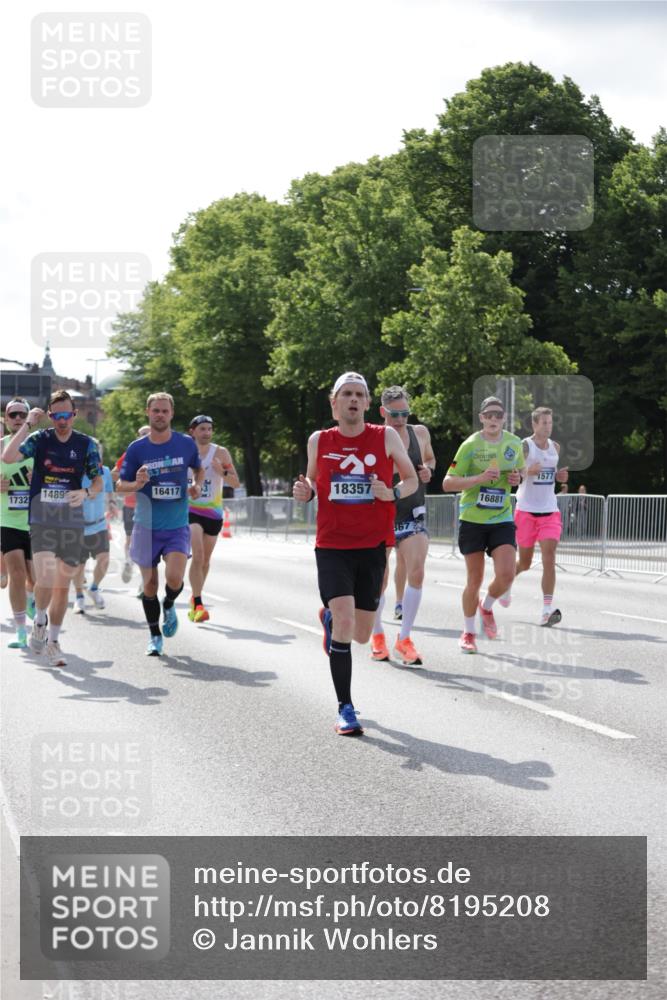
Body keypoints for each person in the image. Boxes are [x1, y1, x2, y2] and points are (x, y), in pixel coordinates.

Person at [292, 372, 417, 735]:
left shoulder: (386, 436)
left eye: (359, 394)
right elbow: (313, 485)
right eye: (346, 394)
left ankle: (329, 620)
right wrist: (306, 494)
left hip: (373, 545)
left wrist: (390, 493)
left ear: (366, 404)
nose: (352, 399)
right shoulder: (319, 440)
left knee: (361, 634)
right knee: (347, 624)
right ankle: (345, 708)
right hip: (332, 545)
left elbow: (411, 480)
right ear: (334, 403)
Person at [2, 390, 103, 667]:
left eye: (66, 415)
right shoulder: (39, 439)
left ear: (74, 414)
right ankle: (40, 619)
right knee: (45, 577)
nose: (61, 420)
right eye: (56, 415)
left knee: (63, 585)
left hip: (71, 520)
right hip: (42, 518)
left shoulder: (86, 444)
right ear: (50, 415)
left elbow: (97, 482)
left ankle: (53, 640)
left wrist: (85, 493)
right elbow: (8, 457)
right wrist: (28, 423)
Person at [117, 392, 204, 656]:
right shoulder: (137, 448)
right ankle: (155, 635)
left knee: (175, 578)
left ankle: (170, 605)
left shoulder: (186, 444)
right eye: (155, 410)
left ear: (172, 414)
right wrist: (137, 484)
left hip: (176, 524)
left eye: (165, 411)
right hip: (146, 525)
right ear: (148, 412)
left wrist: (197, 485)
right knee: (150, 585)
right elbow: (120, 486)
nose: (160, 415)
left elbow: (198, 469)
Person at [443, 396, 524, 654]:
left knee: (507, 574)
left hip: (501, 517)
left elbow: (518, 475)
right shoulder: (470, 446)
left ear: (503, 419)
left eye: (498, 415)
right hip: (473, 520)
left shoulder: (513, 443)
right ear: (481, 418)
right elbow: (448, 482)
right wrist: (478, 478)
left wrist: (516, 477)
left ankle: (486, 606)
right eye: (488, 414)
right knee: (474, 579)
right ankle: (468, 632)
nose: (493, 419)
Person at [370, 386, 436, 666]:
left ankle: (405, 638)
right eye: (394, 414)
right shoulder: (374, 435)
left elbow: (430, 458)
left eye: (405, 413)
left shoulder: (419, 433)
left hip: (413, 513)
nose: (400, 419)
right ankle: (377, 635)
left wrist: (427, 470)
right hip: (381, 515)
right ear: (383, 412)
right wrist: (397, 473)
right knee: (379, 581)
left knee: (417, 571)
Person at [501, 407, 568, 627]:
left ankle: (546, 610)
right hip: (526, 510)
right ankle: (507, 582)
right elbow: (512, 473)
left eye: (550, 423)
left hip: (550, 510)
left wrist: (559, 476)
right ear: (534, 424)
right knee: (526, 562)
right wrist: (528, 472)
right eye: (544, 423)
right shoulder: (525, 446)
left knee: (550, 558)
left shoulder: (555, 447)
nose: (548, 426)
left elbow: (552, 476)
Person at [186, 415, 240, 622]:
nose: (207, 433)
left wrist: (222, 472)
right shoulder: (186, 452)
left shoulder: (221, 452)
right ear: (193, 431)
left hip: (214, 513)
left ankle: (194, 596)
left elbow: (235, 483)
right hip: (191, 510)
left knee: (205, 561)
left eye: (209, 429)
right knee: (198, 555)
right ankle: (199, 603)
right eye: (202, 429)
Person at [0, 399, 36, 647]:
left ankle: (32, 599)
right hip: (8, 520)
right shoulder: (1, 447)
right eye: (13, 414)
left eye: (22, 414)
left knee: (35, 578)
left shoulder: (40, 446)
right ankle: (21, 631)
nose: (17, 418)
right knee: (16, 573)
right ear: (6, 418)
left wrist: (41, 482)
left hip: (37, 522)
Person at [72, 441, 116, 613]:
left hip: (98, 524)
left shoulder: (104, 471)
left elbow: (109, 491)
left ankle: (94, 588)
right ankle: (79, 597)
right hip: (77, 527)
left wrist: (112, 503)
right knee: (79, 565)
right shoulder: (74, 473)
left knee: (104, 560)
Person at [112, 425, 150, 587]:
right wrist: (130, 477)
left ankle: (144, 581)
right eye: (142, 434)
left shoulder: (160, 454)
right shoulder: (130, 454)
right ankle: (128, 561)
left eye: (147, 434)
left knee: (147, 542)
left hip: (150, 506)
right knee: (130, 538)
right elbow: (114, 474)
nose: (144, 437)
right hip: (130, 504)